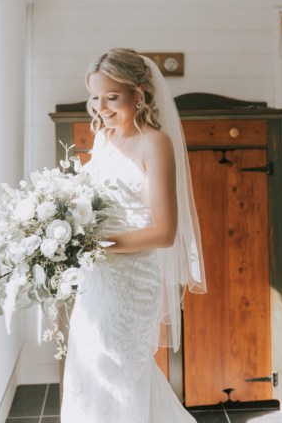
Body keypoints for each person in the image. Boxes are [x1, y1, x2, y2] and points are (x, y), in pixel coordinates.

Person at [60, 48, 206, 423]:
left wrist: (93, 244)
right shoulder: (104, 138)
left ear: (139, 93)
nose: (101, 107)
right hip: (97, 280)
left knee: (120, 376)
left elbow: (164, 232)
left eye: (112, 97)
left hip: (130, 284)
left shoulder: (155, 143)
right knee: (89, 370)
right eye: (95, 96)